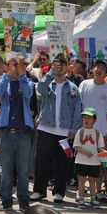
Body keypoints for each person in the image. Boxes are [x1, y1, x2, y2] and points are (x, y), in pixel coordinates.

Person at [32, 54, 82, 203]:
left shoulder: (72, 87)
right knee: (42, 161)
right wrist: (49, 73)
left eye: (62, 64)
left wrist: (74, 129)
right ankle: (39, 191)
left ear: (67, 67)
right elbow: (39, 89)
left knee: (63, 163)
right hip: (46, 128)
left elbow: (77, 110)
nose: (59, 67)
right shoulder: (48, 83)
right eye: (56, 64)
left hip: (65, 132)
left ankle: (59, 192)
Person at [0, 55, 36, 213]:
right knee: (6, 170)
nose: (17, 67)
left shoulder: (28, 82)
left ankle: (24, 202)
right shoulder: (5, 81)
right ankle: (6, 201)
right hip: (5, 133)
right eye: (15, 64)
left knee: (23, 171)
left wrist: (22, 74)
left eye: (20, 64)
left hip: (23, 133)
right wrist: (8, 74)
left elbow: (27, 93)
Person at [72, 108, 106, 207]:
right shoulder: (80, 131)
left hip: (94, 162)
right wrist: (86, 153)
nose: (86, 120)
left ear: (94, 120)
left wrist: (105, 153)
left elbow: (100, 147)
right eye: (84, 117)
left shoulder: (97, 133)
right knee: (81, 180)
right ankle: (81, 199)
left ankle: (93, 198)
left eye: (89, 118)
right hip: (81, 161)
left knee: (92, 181)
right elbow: (76, 146)